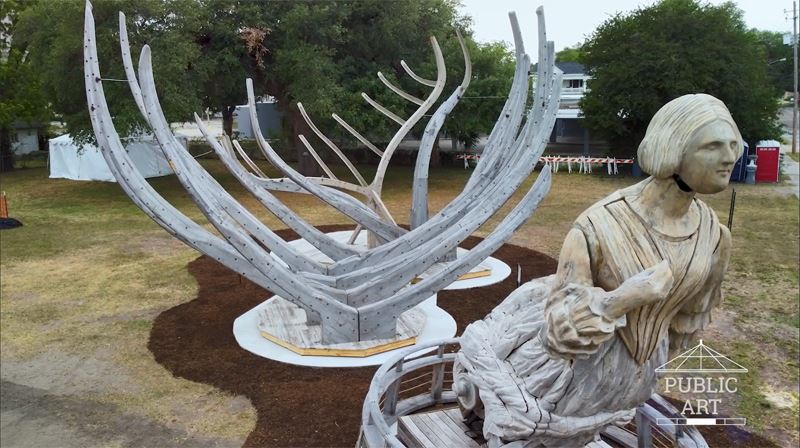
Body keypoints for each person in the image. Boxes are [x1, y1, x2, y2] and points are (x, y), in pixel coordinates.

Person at [454, 93, 739, 447]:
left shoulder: (714, 237)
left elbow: (686, 325)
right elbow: (557, 331)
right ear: (673, 149)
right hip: (561, 383)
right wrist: (622, 299)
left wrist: (642, 371)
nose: (729, 157)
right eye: (712, 146)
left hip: (631, 384)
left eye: (732, 144)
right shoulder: (599, 224)